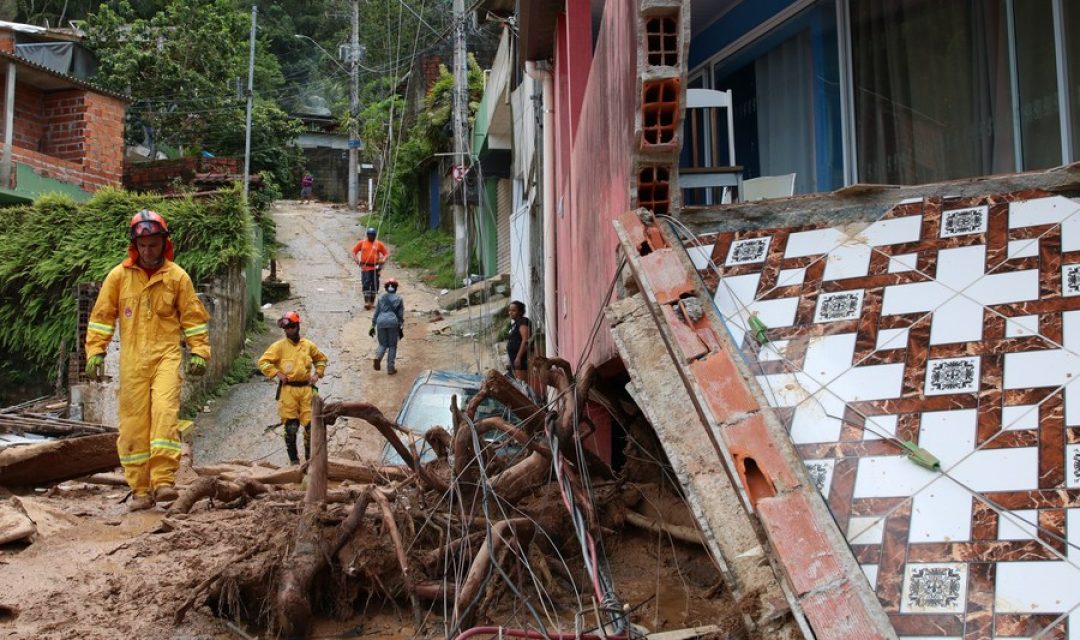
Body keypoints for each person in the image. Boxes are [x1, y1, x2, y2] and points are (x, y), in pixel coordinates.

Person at [84, 210, 211, 511]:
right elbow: (101, 317)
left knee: (165, 413)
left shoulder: (178, 277)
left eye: (153, 244)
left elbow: (193, 319)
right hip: (132, 361)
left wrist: (199, 351)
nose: (148, 250)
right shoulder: (118, 277)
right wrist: (95, 351)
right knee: (132, 426)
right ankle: (140, 489)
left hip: (166, 356)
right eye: (142, 245)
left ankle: (164, 480)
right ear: (135, 245)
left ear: (163, 243)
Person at [258, 311, 328, 465]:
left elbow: (321, 359)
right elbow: (263, 362)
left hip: (306, 390)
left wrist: (317, 374)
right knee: (291, 428)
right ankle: (294, 461)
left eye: (290, 327)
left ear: (297, 326)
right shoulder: (278, 347)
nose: (288, 331)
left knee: (311, 428)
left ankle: (310, 462)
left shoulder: (308, 345)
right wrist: (276, 373)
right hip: (288, 391)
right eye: (286, 329)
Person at [369, 278, 404, 375]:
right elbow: (400, 316)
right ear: (396, 288)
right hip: (393, 322)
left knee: (383, 344)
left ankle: (378, 357)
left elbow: (376, 313)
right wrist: (401, 327)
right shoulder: (399, 299)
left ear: (385, 288)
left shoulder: (381, 298)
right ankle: (390, 368)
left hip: (380, 322)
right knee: (392, 346)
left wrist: (372, 326)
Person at [351, 227, 389, 309]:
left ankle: (372, 302)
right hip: (365, 267)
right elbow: (354, 252)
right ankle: (366, 302)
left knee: (375, 284)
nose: (371, 236)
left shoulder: (379, 244)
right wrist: (357, 261)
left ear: (375, 235)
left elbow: (386, 254)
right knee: (366, 283)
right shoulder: (362, 243)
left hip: (376, 267)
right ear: (367, 235)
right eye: (369, 235)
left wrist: (383, 260)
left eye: (372, 235)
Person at [507, 300, 531, 380]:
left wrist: (518, 357)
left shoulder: (523, 321)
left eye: (513, 310)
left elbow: (525, 339)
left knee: (522, 382)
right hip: (513, 357)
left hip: (521, 357)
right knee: (518, 381)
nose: (510, 312)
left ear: (520, 312)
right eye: (510, 310)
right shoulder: (514, 324)